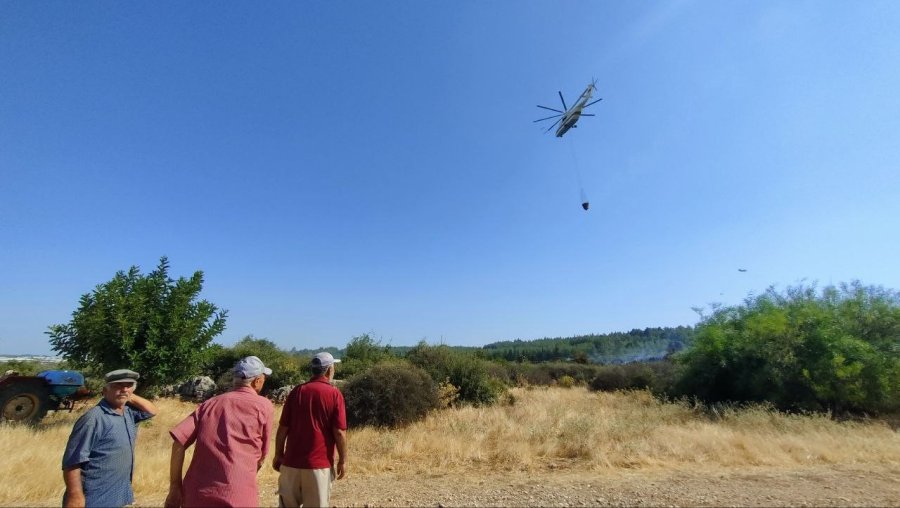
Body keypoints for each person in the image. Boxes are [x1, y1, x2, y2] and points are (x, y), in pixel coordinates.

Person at [165, 356, 275, 508]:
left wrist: (175, 486)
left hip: (198, 494)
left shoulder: (209, 404)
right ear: (257, 381)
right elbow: (261, 457)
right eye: (264, 378)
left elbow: (179, 441)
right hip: (238, 495)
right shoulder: (264, 406)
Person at [62, 369, 158, 508]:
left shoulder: (128, 413)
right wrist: (75, 496)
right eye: (117, 385)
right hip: (93, 498)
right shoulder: (94, 419)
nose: (124, 389)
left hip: (116, 496)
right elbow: (72, 461)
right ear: (105, 390)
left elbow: (152, 411)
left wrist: (127, 394)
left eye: (128, 385)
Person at [273, 352, 348, 508]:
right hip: (318, 465)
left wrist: (278, 455)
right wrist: (343, 460)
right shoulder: (334, 394)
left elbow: (282, 429)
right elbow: (339, 432)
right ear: (329, 370)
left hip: (291, 463)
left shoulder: (296, 392)